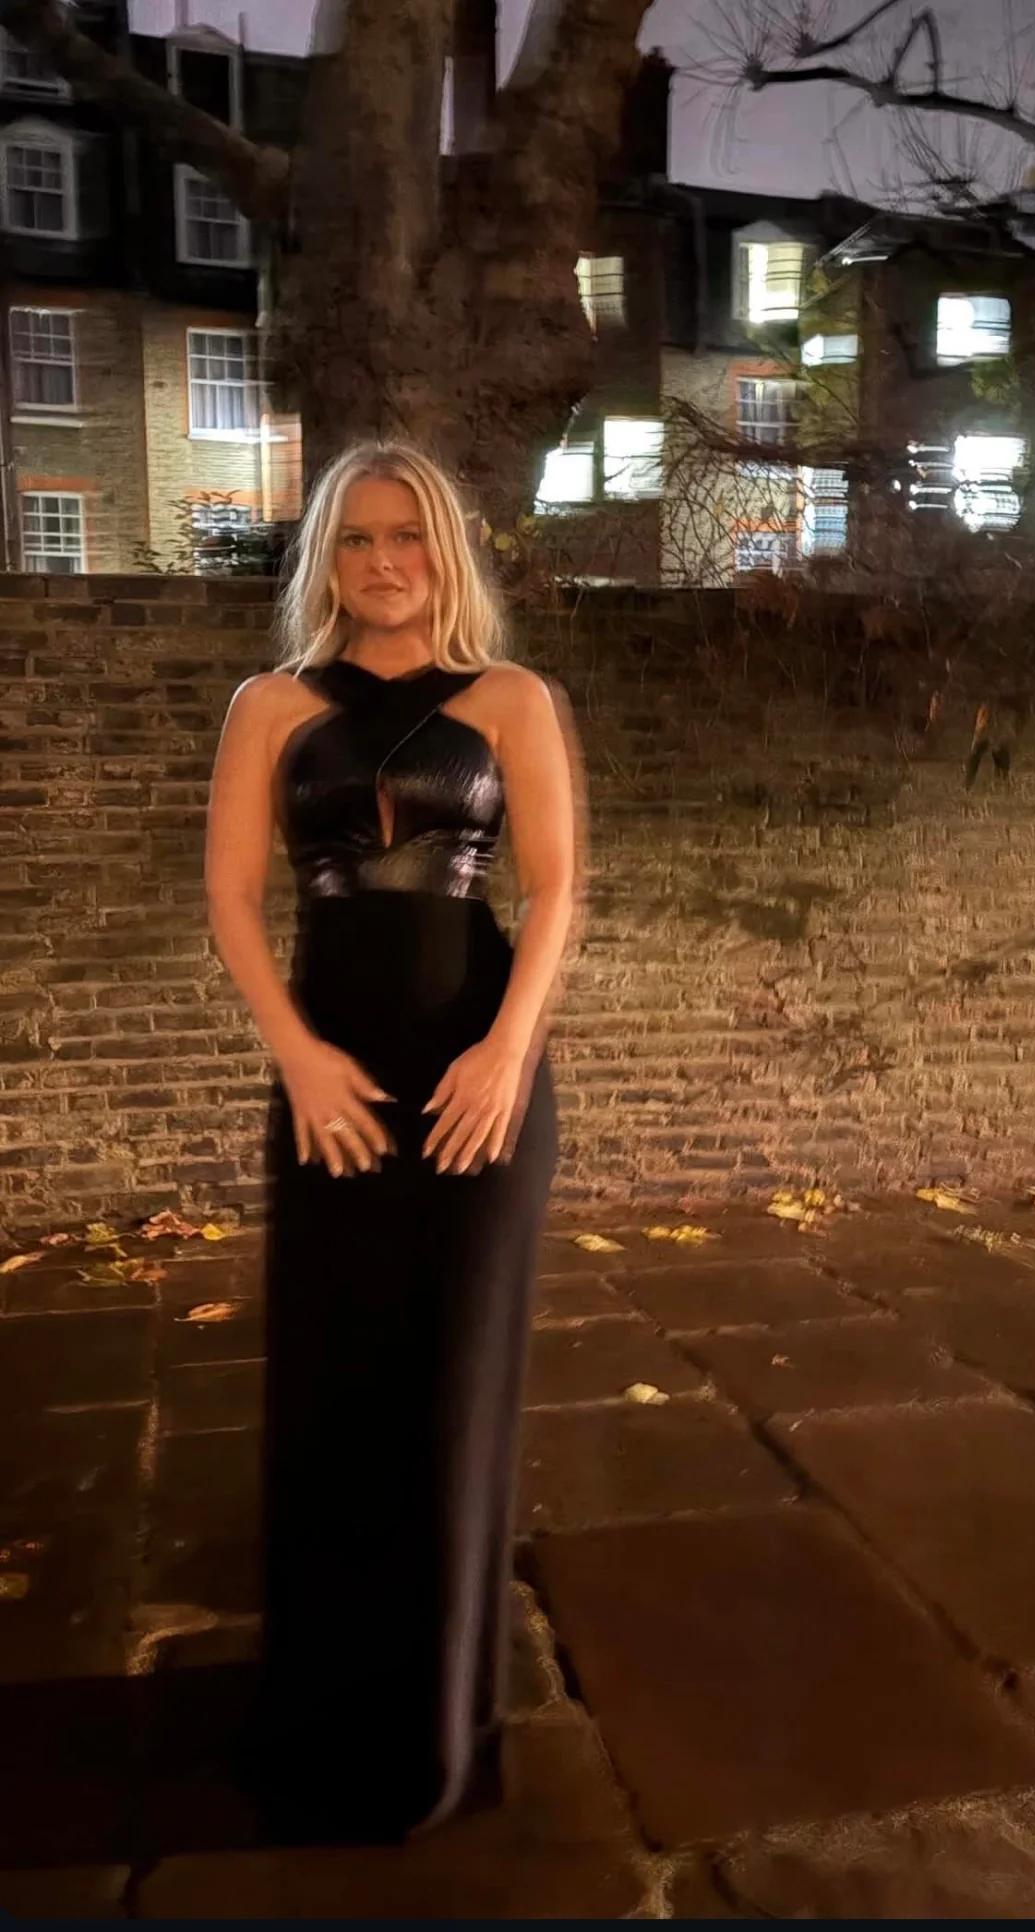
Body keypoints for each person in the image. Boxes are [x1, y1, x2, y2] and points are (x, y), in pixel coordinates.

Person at [203, 440, 581, 1844]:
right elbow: (233, 899)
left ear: (446, 553)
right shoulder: (269, 706)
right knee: (333, 1389)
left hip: (479, 1076)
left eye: (406, 536)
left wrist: (508, 1053)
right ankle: (323, 1720)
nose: (382, 561)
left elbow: (555, 892)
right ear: (326, 557)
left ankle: (437, 1735)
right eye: (356, 538)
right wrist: (297, 1056)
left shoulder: (513, 699)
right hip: (332, 1082)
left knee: (453, 1395)